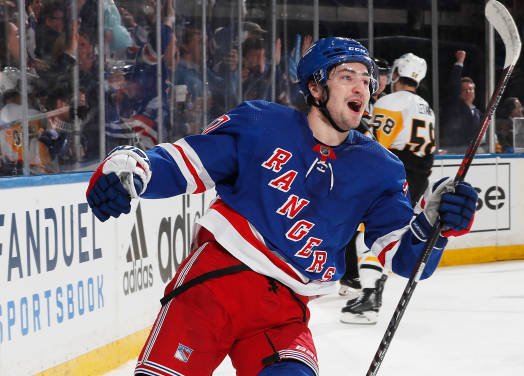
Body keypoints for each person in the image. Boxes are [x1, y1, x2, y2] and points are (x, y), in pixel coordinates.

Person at [85, 37, 477, 376]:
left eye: (366, 79)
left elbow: (406, 261)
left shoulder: (381, 169)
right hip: (215, 285)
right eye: (347, 76)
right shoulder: (261, 124)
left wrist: (433, 224)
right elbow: (180, 165)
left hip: (284, 313)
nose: (361, 86)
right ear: (316, 88)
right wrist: (132, 167)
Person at [340, 53, 436, 324]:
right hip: (419, 178)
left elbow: (379, 144)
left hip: (393, 174)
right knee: (380, 235)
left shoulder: (388, 102)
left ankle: (369, 298)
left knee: (368, 236)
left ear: (396, 74)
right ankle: (363, 286)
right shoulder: (426, 107)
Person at [338, 56, 391, 298]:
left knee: (357, 227)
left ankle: (351, 273)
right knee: (349, 226)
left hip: (367, 171)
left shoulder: (383, 104)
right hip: (351, 169)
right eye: (376, 75)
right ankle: (349, 274)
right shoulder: (358, 102)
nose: (380, 80)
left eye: (383, 75)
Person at [442, 50, 482, 153]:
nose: (468, 92)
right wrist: (460, 61)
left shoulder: (478, 113)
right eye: (464, 89)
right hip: (456, 153)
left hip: (473, 155)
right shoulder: (457, 106)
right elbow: (454, 83)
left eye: (470, 89)